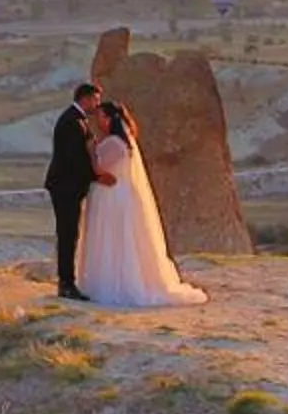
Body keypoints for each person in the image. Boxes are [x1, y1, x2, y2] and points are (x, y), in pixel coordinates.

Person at [73, 101, 209, 308]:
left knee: (114, 240)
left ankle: (114, 284)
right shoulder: (124, 143)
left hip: (112, 198)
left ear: (110, 119)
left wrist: (89, 150)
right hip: (118, 196)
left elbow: (99, 168)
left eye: (101, 116)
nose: (98, 121)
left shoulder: (113, 144)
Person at [42, 82, 111, 299]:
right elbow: (75, 159)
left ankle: (67, 282)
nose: (97, 105)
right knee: (67, 234)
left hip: (68, 187)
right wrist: (97, 176)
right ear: (86, 98)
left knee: (69, 234)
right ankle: (66, 284)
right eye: (96, 100)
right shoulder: (72, 121)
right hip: (65, 187)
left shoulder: (77, 119)